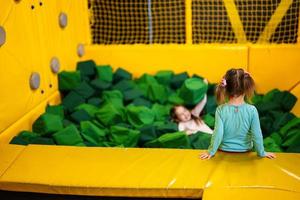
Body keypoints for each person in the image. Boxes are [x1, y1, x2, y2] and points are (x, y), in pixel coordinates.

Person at [199, 68, 276, 160]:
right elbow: (257, 134)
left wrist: (211, 151)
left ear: (226, 88)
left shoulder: (220, 109)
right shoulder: (252, 110)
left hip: (224, 150)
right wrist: (261, 152)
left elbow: (218, 133)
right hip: (245, 151)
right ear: (247, 88)